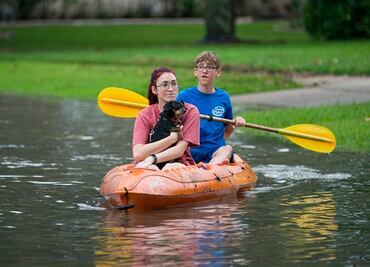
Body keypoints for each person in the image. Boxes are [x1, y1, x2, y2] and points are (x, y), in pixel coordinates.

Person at [177, 51, 245, 165]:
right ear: (195, 72)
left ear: (218, 72)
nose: (204, 71)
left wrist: (235, 123)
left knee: (227, 149)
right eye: (201, 67)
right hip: (190, 151)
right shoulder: (184, 96)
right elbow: (174, 126)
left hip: (215, 151)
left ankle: (209, 169)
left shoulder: (224, 97)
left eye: (209, 67)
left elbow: (227, 131)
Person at [133, 66, 200, 170]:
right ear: (154, 89)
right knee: (152, 169)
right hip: (148, 164)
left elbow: (179, 151)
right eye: (165, 85)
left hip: (179, 162)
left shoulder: (190, 111)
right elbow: (138, 154)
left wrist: (152, 158)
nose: (171, 89)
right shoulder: (144, 115)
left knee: (169, 167)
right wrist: (172, 139)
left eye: (174, 84)